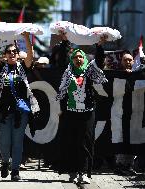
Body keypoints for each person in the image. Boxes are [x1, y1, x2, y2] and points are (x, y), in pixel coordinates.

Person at [55, 31, 108, 184]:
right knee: (71, 142)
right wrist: (65, 42)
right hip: (69, 113)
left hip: (87, 113)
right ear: (72, 60)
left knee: (85, 143)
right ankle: (72, 170)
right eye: (75, 57)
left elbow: (99, 61)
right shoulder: (67, 72)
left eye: (80, 57)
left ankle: (83, 173)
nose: (78, 59)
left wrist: (99, 46)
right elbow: (62, 60)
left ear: (84, 59)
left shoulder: (90, 72)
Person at [0, 32, 39, 181]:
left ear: (17, 55)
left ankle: (15, 170)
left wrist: (26, 38)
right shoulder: (1, 67)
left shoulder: (24, 67)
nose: (11, 54)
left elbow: (30, 54)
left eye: (14, 52)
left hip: (21, 111)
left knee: (17, 141)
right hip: (4, 111)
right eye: (9, 52)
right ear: (5, 55)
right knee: (4, 141)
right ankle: (5, 162)